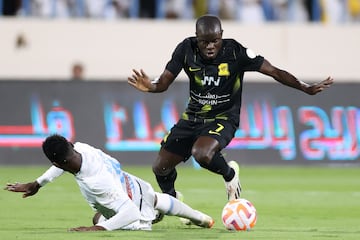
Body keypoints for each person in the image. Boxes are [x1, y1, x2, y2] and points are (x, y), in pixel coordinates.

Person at [127, 14, 334, 218]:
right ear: (196, 38)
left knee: (202, 154)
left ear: (222, 36)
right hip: (193, 117)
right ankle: (171, 201)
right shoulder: (185, 49)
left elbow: (274, 71)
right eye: (204, 42)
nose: (209, 46)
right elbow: (163, 82)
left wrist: (305, 87)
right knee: (160, 167)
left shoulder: (236, 52)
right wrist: (151, 87)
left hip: (223, 118)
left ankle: (230, 174)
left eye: (214, 41)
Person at [4, 134, 214, 231]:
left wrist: (99, 229)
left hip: (133, 209)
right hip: (134, 184)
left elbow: (130, 212)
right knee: (154, 197)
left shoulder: (95, 182)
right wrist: (37, 183)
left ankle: (156, 215)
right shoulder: (81, 148)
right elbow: (61, 163)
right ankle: (201, 218)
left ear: (56, 161)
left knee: (100, 220)